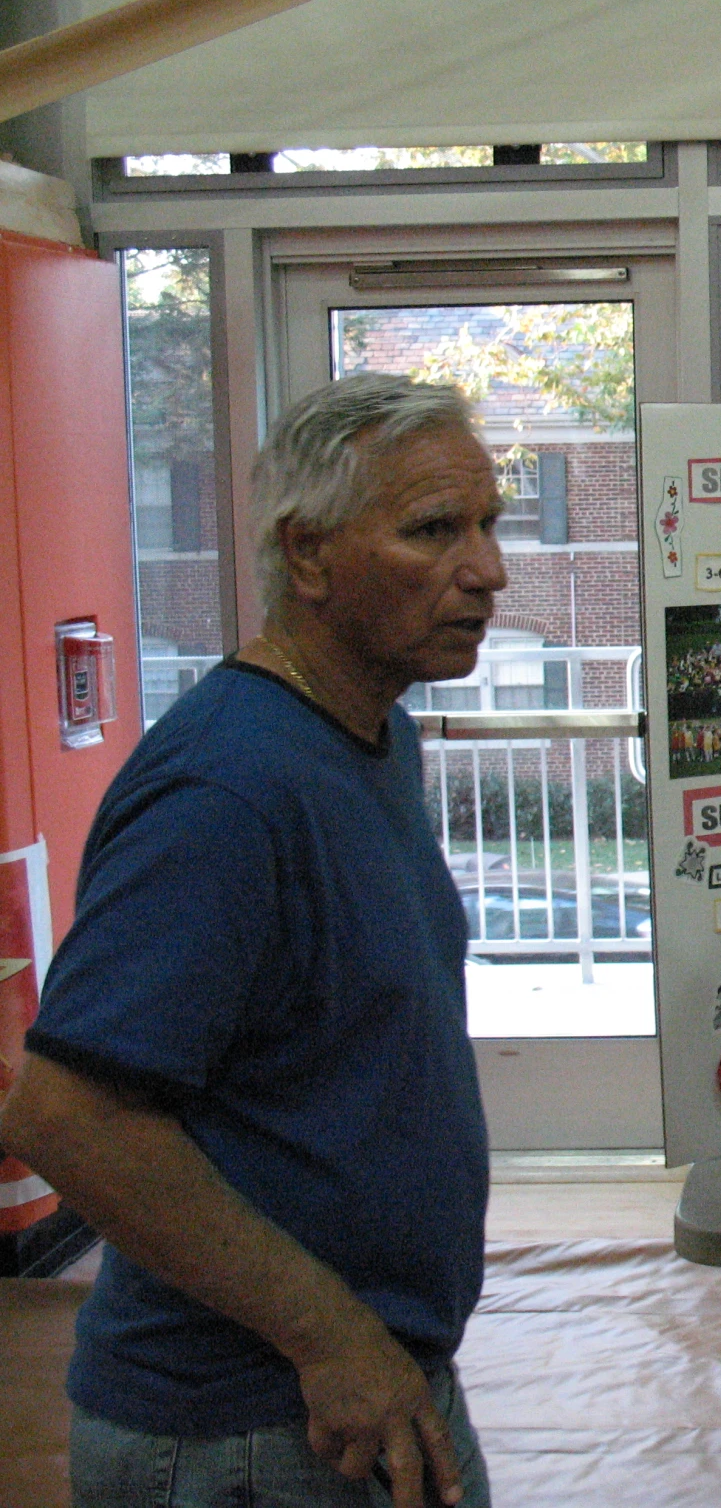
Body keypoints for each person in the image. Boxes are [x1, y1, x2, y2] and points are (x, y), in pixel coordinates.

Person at [0, 374, 507, 1508]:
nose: (487, 570)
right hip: (254, 1430)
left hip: (366, 1387)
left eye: (489, 524)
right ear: (311, 557)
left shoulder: (372, 740)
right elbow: (65, 1115)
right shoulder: (229, 788)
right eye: (433, 531)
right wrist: (332, 1338)